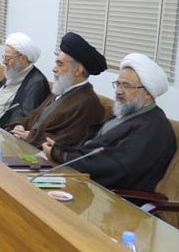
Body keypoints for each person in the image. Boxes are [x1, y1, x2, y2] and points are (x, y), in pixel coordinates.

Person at [44, 54, 176, 192]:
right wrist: (60, 149)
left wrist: (61, 155)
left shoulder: (153, 128)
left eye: (126, 86)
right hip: (86, 180)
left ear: (148, 93)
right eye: (118, 84)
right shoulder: (127, 112)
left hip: (110, 194)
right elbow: (93, 149)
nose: (118, 91)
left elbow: (113, 166)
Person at [8, 32, 106, 149]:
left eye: (60, 65)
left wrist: (31, 137)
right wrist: (20, 125)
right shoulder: (62, 89)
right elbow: (34, 118)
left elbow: (69, 141)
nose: (54, 69)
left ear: (77, 71)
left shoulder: (88, 103)